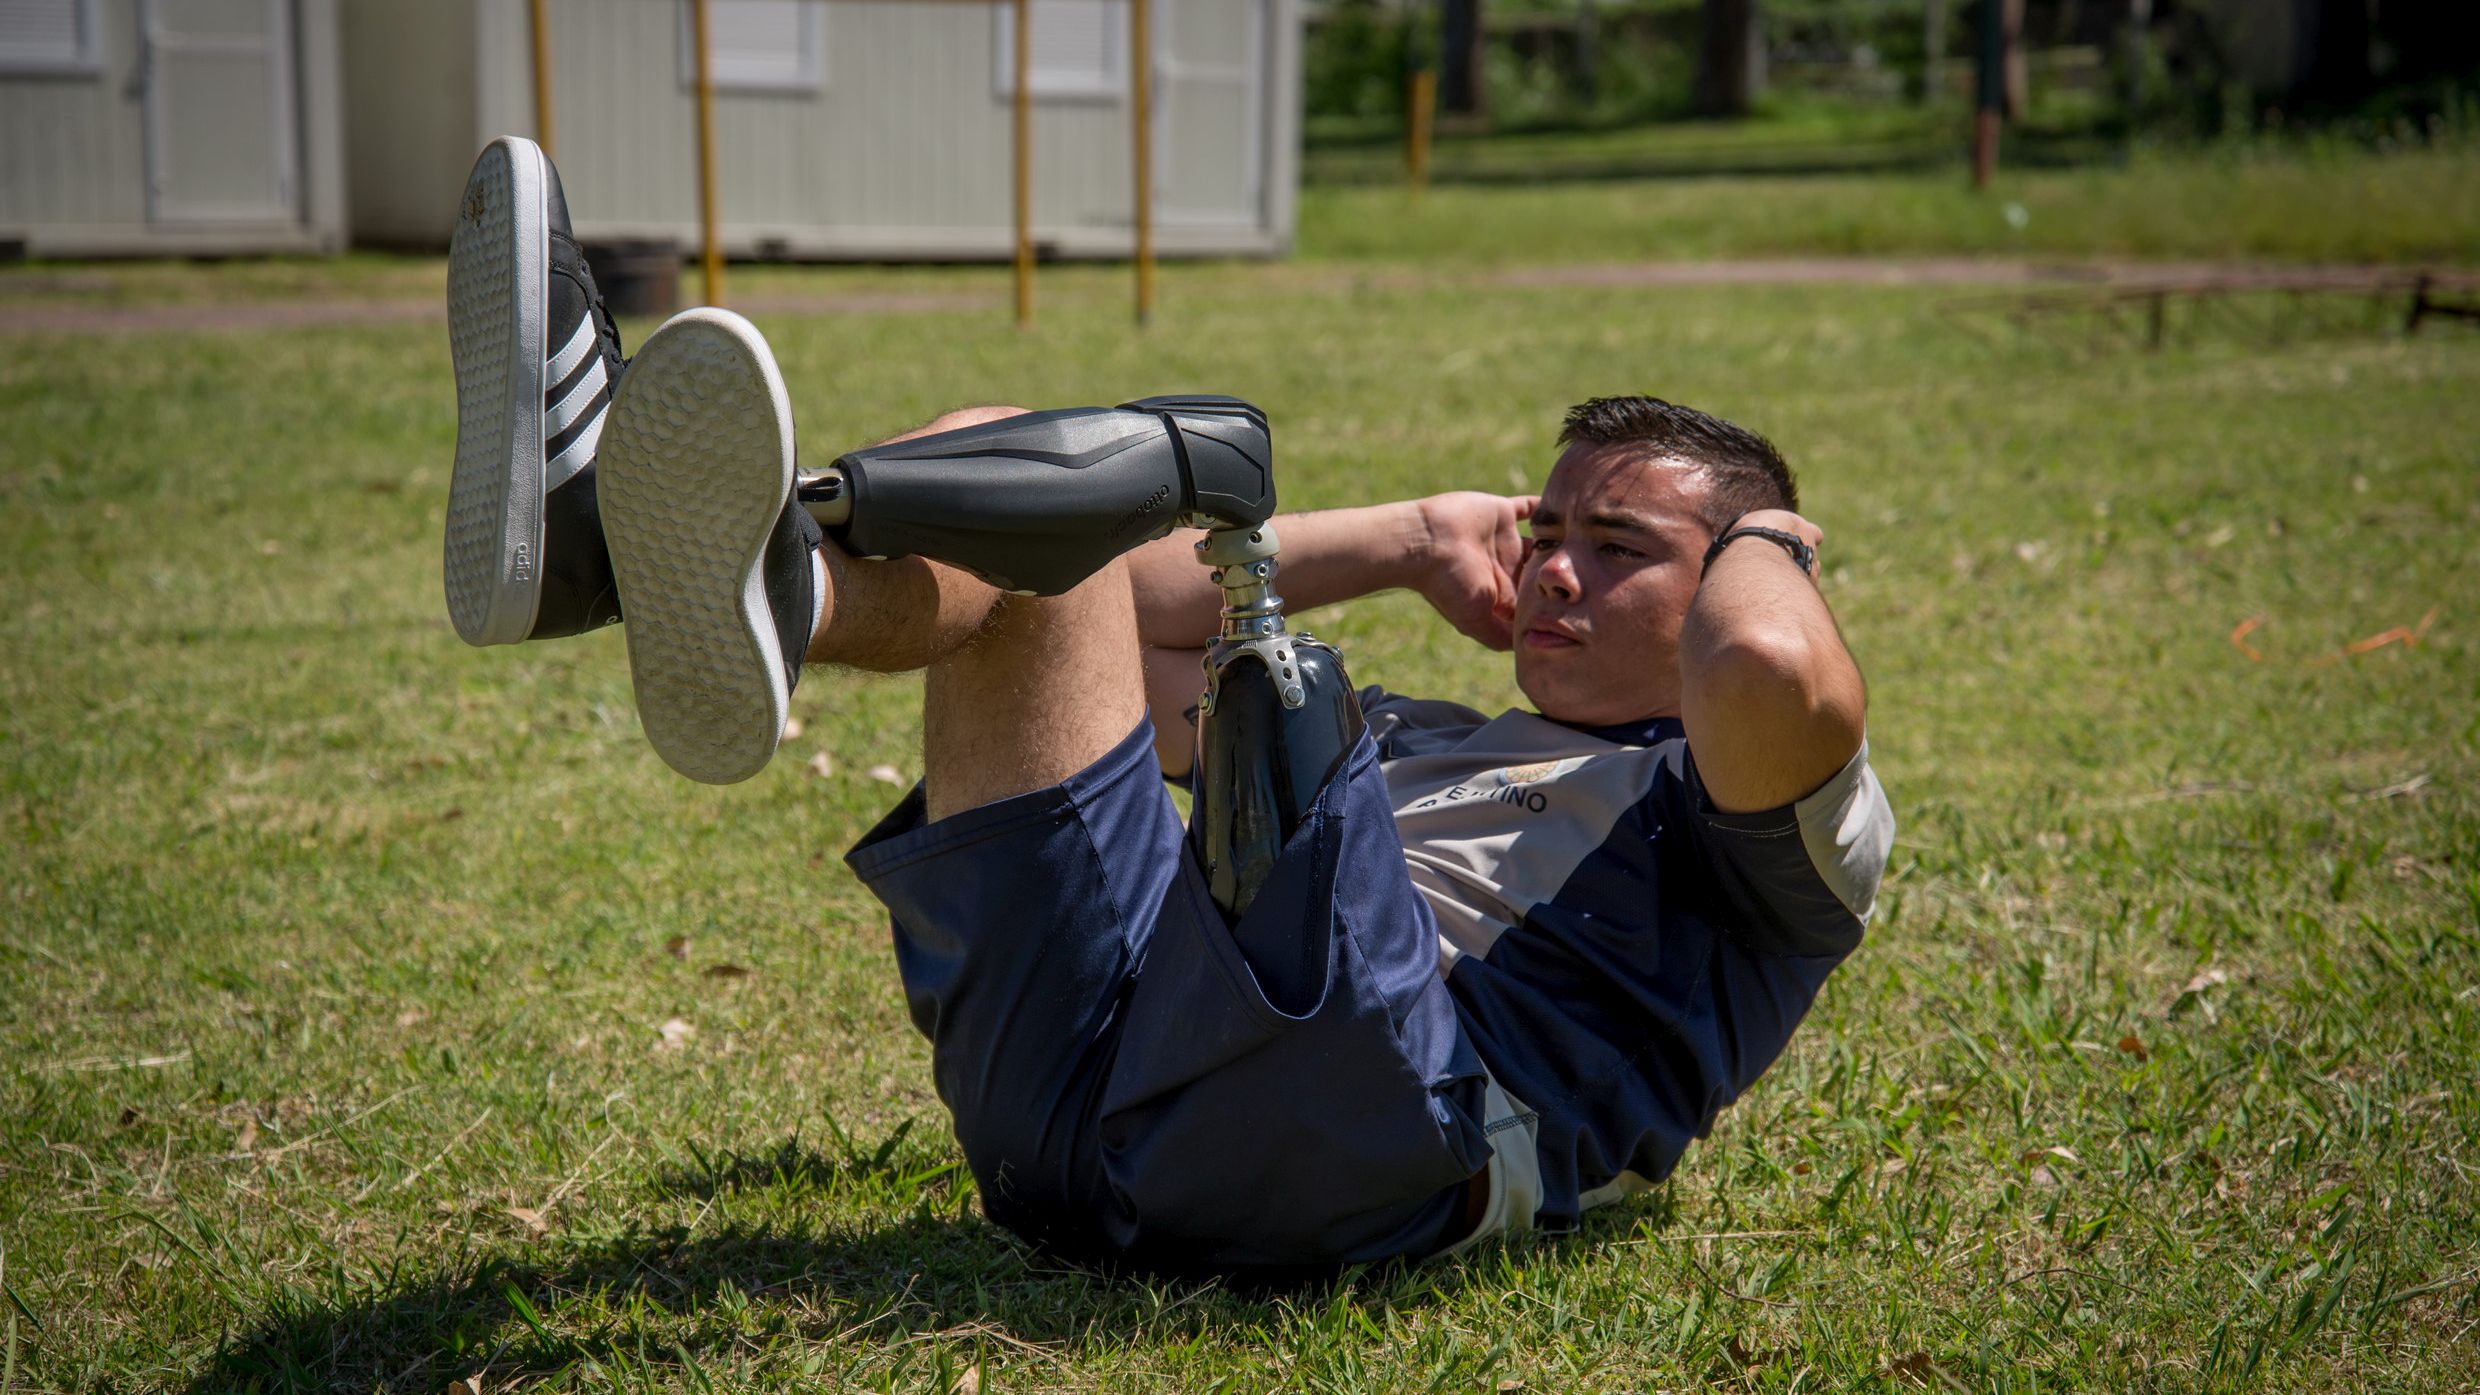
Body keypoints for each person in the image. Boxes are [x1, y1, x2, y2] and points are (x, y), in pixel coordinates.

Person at [443, 137, 1893, 1274]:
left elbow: (1765, 666)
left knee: (1112, 489)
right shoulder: (1418, 741)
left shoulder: (1754, 835)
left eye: (1620, 549)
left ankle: (656, 561)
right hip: (1069, 1112)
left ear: (1737, 581)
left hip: (1353, 1141)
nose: (1558, 568)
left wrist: (1773, 535)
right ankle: (640, 568)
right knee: (1036, 507)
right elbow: (1111, 629)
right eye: (1550, 527)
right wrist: (1401, 537)